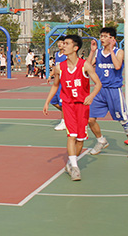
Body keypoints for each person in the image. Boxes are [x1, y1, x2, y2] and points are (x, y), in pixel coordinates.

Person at [43, 35, 101, 181]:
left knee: (80, 139)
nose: (63, 46)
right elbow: (55, 85)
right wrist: (47, 101)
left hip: (82, 106)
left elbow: (98, 84)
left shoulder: (85, 65)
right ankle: (75, 168)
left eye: (67, 43)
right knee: (71, 135)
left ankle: (70, 163)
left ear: (75, 48)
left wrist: (91, 95)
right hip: (68, 105)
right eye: (63, 43)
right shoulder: (59, 67)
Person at [87, 27, 128, 158]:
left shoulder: (118, 52)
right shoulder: (98, 52)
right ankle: (101, 140)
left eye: (105, 36)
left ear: (112, 39)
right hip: (99, 90)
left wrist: (110, 50)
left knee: (123, 119)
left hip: (114, 90)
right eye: (101, 36)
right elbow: (86, 67)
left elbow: (117, 66)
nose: (102, 39)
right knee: (90, 118)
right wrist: (92, 52)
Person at [47, 40, 67, 131]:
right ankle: (68, 115)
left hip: (64, 83)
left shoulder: (67, 55)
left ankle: (64, 121)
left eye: (62, 42)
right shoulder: (57, 54)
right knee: (53, 101)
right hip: (57, 82)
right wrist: (50, 75)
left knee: (63, 103)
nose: (59, 44)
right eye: (58, 42)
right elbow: (55, 67)